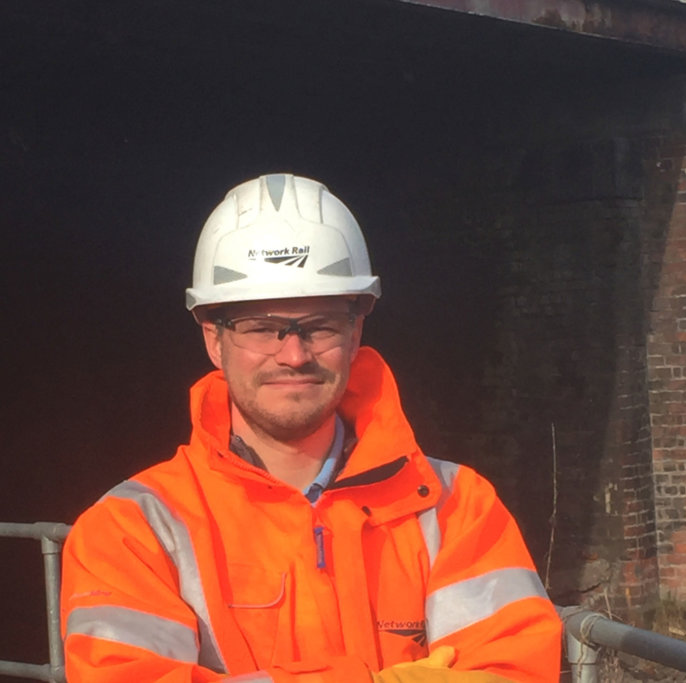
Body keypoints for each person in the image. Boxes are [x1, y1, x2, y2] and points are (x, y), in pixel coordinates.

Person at [60, 174, 562, 682]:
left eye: (319, 326)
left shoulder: (456, 507)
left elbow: (516, 670)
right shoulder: (131, 529)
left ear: (355, 331)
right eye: (261, 328)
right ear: (214, 339)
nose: (294, 355)